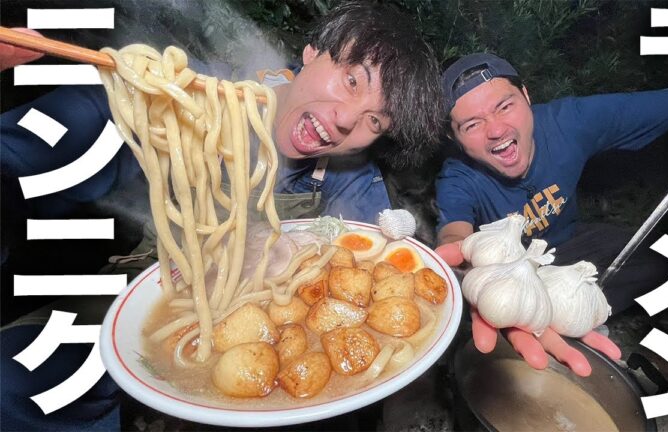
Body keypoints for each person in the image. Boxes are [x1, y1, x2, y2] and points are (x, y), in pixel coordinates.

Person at [0, 2, 442, 430]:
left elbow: (377, 265)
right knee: (17, 380)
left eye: (375, 122)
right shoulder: (185, 98)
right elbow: (40, 147)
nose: (347, 120)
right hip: (135, 290)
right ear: (312, 51)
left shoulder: (348, 174)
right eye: (351, 80)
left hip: (267, 337)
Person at [434, 53, 668, 377]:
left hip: (569, 246)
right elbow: (454, 235)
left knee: (663, 257)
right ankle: (547, 325)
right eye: (472, 124)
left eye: (504, 106)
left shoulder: (570, 122)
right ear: (454, 137)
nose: (496, 130)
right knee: (478, 314)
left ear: (526, 95)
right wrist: (462, 260)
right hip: (508, 271)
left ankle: (577, 312)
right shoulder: (458, 176)